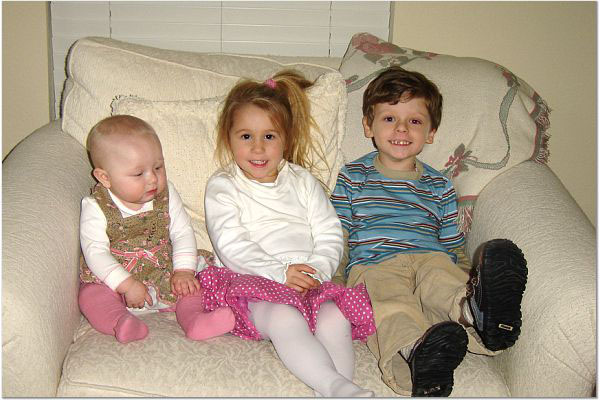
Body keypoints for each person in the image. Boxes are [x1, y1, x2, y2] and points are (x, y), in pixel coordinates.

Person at [330, 66, 528, 397]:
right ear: (368, 125)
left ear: (431, 132)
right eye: (389, 118)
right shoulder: (352, 176)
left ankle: (475, 312)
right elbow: (339, 233)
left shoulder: (439, 184)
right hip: (374, 264)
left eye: (415, 121)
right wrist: (333, 281)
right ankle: (418, 352)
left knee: (442, 279)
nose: (402, 128)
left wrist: (468, 276)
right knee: (390, 304)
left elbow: (452, 242)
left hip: (430, 257)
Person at [200, 70, 376, 397]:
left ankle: (343, 391)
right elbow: (230, 244)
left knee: (335, 317)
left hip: (308, 281)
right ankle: (335, 386)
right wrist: (279, 273)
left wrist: (317, 271)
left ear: (286, 139)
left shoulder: (302, 181)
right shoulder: (224, 185)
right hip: (255, 282)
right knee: (284, 318)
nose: (257, 148)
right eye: (246, 136)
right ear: (229, 138)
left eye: (269, 136)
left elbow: (328, 231)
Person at [79, 115, 235, 344]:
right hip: (116, 274)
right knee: (90, 295)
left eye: (158, 167)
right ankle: (120, 322)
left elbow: (182, 232)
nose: (153, 179)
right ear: (105, 178)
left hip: (162, 267)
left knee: (192, 287)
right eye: (138, 173)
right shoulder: (96, 206)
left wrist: (183, 270)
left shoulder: (166, 194)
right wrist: (126, 284)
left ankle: (195, 320)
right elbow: (95, 252)